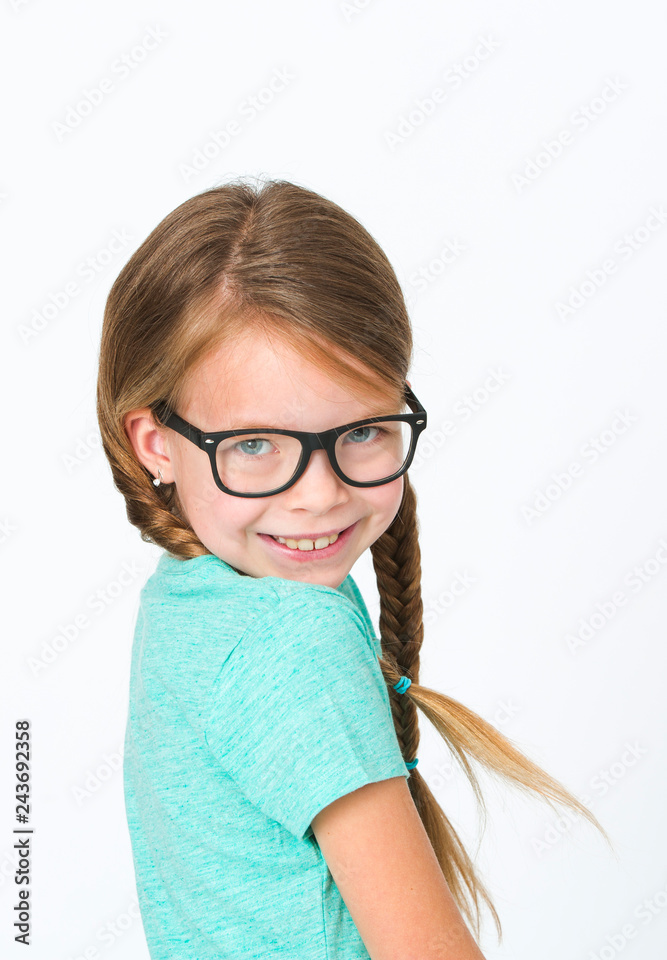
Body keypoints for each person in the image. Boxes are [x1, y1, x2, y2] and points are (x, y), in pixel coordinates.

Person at [96, 177, 615, 960]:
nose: (319, 495)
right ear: (156, 444)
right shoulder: (289, 639)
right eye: (253, 444)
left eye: (364, 431)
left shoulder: (189, 596)